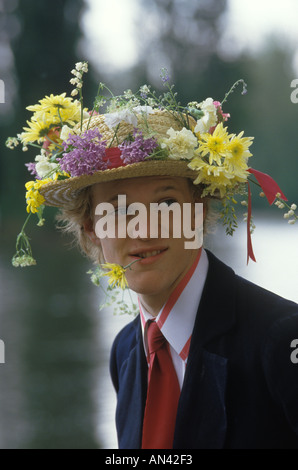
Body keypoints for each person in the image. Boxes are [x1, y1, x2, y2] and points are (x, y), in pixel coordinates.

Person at [8, 62, 298, 449]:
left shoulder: (281, 340)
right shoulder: (125, 352)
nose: (143, 229)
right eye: (118, 208)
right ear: (92, 227)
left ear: (198, 211)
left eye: (165, 203)